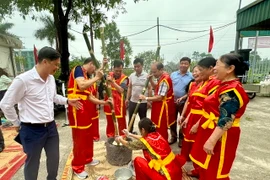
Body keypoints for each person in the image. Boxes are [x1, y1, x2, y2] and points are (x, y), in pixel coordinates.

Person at [0, 46, 81, 180]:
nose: (57, 68)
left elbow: (53, 97)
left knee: (54, 159)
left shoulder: (49, 79)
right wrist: (17, 123)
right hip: (31, 130)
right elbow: (5, 104)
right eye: (55, 65)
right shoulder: (23, 80)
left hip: (50, 127)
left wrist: (68, 101)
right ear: (45, 62)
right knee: (33, 163)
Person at [189, 53, 249, 180]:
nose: (214, 68)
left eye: (217, 65)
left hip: (221, 137)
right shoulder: (223, 85)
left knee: (215, 171)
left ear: (230, 69)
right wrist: (198, 124)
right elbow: (211, 110)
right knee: (206, 167)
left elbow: (226, 119)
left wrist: (211, 141)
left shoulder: (232, 90)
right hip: (210, 130)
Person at [67, 57, 111, 179]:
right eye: (94, 68)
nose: (95, 71)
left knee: (87, 136)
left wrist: (104, 102)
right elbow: (81, 86)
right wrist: (97, 77)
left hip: (86, 111)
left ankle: (87, 159)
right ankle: (77, 166)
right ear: (90, 64)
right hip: (78, 109)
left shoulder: (86, 77)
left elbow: (90, 97)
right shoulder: (78, 70)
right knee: (79, 140)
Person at [180, 57, 220, 177]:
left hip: (205, 120)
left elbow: (210, 108)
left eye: (200, 70)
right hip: (195, 116)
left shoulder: (214, 83)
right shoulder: (201, 82)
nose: (197, 73)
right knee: (196, 147)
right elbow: (192, 102)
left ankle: (202, 172)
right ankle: (198, 170)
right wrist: (187, 117)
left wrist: (197, 124)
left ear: (211, 69)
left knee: (204, 149)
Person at [115, 117, 185, 180]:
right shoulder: (157, 134)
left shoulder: (146, 141)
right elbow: (144, 138)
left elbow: (130, 145)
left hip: (166, 176)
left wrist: (120, 139)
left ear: (142, 130)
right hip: (175, 172)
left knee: (137, 160)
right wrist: (130, 134)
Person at [139, 62, 175, 142]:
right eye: (152, 72)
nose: (153, 74)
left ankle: (162, 144)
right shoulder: (161, 77)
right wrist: (151, 79)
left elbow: (160, 97)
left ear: (161, 70)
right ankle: (158, 142)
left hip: (162, 107)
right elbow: (156, 88)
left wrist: (146, 98)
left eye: (155, 72)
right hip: (158, 106)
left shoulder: (165, 79)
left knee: (161, 127)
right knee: (157, 126)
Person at [178, 66, 202, 160]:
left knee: (196, 137)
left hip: (199, 114)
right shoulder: (192, 84)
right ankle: (185, 156)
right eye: (194, 71)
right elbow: (188, 99)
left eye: (197, 71)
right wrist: (183, 115)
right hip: (190, 112)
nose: (194, 73)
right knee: (186, 134)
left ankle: (194, 157)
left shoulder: (209, 85)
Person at [169, 57, 193, 146]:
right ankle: (173, 137)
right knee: (172, 120)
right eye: (182, 63)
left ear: (189, 65)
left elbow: (191, 91)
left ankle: (181, 139)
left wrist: (183, 97)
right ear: (179, 64)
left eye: (185, 63)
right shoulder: (173, 75)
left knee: (182, 120)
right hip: (172, 101)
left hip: (184, 102)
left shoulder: (192, 76)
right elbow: (169, 87)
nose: (183, 65)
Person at [125, 58, 152, 133]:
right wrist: (127, 98)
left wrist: (149, 101)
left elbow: (150, 88)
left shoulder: (147, 76)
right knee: (131, 119)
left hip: (143, 102)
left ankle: (144, 136)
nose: (136, 68)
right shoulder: (132, 76)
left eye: (138, 66)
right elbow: (130, 87)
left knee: (143, 120)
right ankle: (129, 134)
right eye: (135, 66)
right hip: (133, 101)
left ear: (142, 66)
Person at [104, 60, 128, 137]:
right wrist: (103, 64)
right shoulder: (108, 75)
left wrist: (112, 82)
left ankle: (123, 137)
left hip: (119, 103)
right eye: (116, 70)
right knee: (110, 121)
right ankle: (110, 137)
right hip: (109, 101)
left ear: (122, 69)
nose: (118, 72)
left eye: (120, 70)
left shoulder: (124, 78)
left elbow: (121, 90)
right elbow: (98, 74)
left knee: (121, 122)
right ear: (113, 68)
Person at [0, 68, 12, 152]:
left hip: (2, 93)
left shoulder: (2, 77)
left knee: (3, 106)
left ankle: (1, 144)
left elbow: (11, 82)